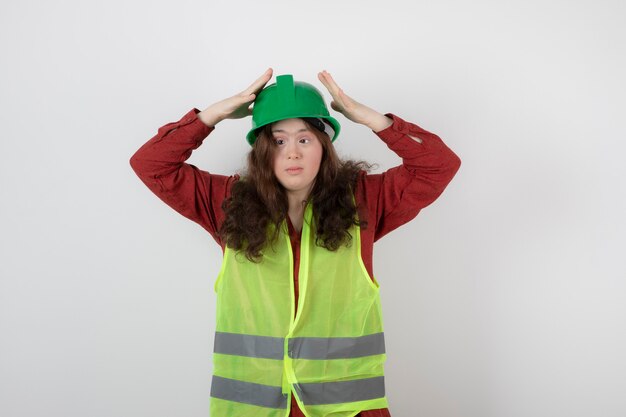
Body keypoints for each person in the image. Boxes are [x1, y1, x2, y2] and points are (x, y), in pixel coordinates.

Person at [130, 68, 461, 417]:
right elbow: (150, 165)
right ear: (261, 150)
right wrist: (212, 115)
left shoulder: (363, 201)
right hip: (252, 410)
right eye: (278, 140)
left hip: (348, 410)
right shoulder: (227, 204)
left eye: (304, 139)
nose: (292, 153)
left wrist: (374, 120)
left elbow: (439, 166)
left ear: (324, 146)